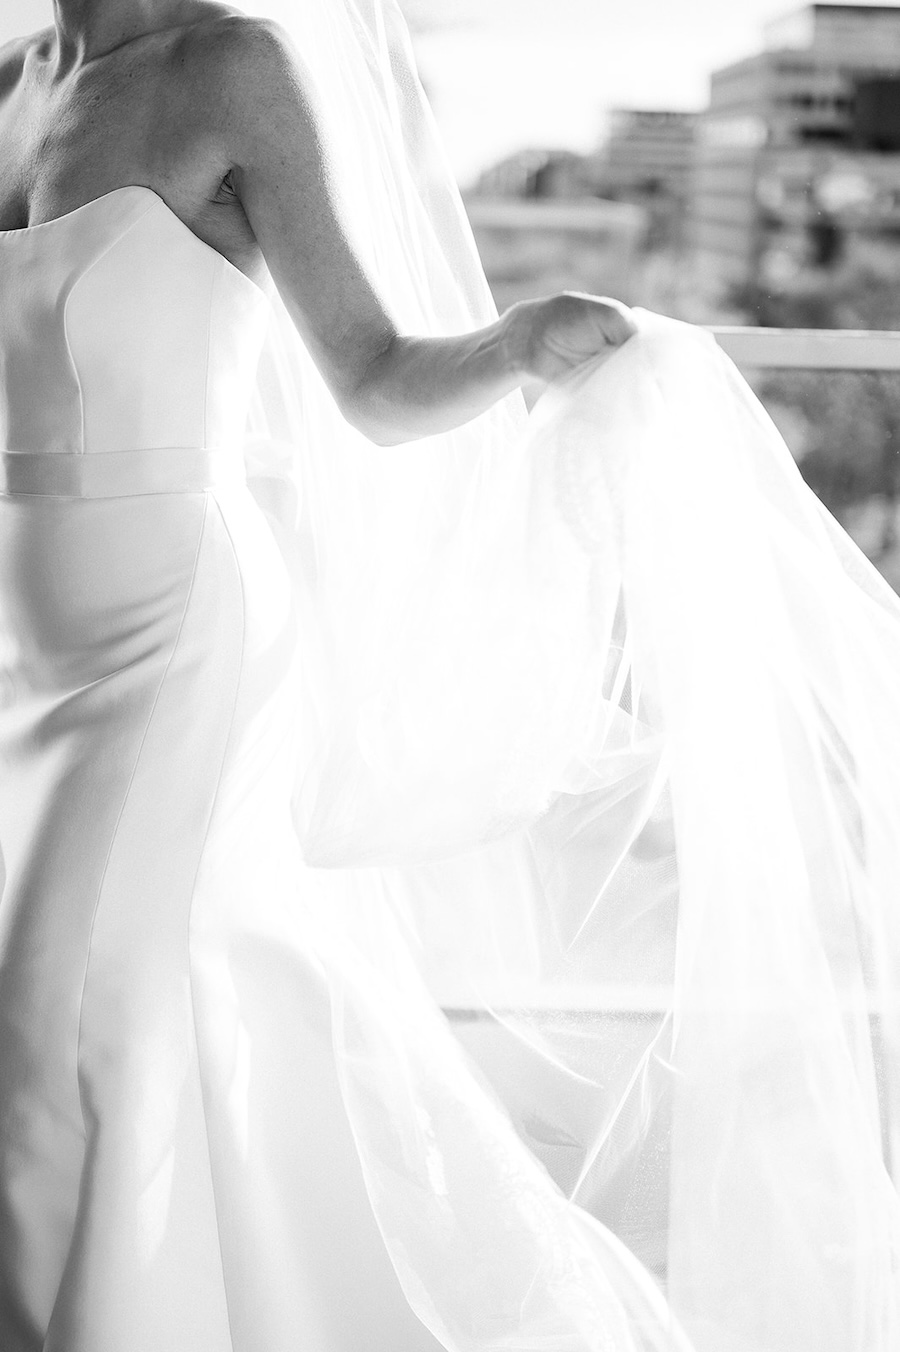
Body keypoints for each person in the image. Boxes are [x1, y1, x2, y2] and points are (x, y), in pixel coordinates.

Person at [1, 2, 899, 1351]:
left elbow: (367, 376)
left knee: (74, 1023)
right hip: (22, 652)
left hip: (173, 638)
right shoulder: (20, 78)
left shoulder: (231, 68)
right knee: (101, 1015)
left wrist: (518, 346)